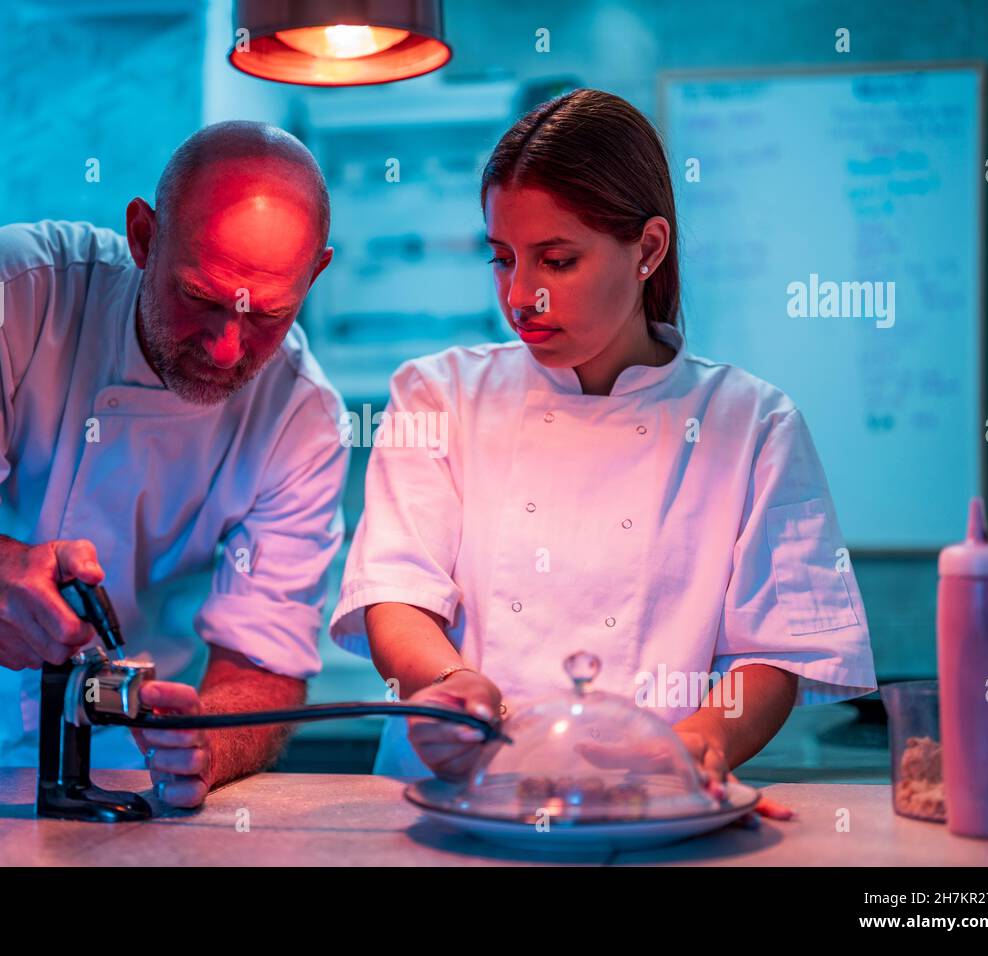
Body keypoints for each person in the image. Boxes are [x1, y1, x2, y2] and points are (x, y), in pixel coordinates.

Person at [330, 89, 877, 817]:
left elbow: (777, 649)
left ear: (648, 248)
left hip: (643, 806)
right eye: (502, 260)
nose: (522, 295)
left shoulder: (750, 423)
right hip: (444, 804)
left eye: (557, 261)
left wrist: (701, 738)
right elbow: (395, 593)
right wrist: (449, 685)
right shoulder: (440, 396)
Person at [0, 121, 348, 809]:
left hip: (131, 771)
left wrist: (211, 740)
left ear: (315, 274)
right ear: (143, 236)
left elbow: (266, 659)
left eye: (268, 315)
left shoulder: (303, 421)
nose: (229, 350)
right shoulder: (6, 293)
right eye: (199, 299)